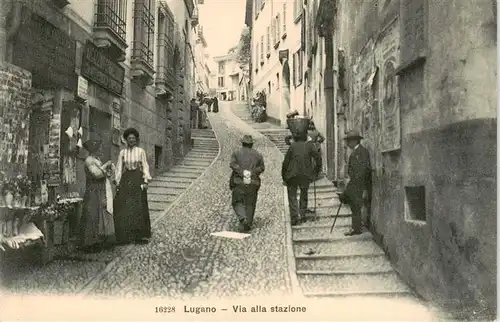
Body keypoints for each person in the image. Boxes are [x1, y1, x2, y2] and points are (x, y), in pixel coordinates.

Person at [113, 128, 152, 244]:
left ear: (136, 140)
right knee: (124, 205)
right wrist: (117, 181)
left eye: (133, 138)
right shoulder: (122, 153)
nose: (131, 140)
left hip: (137, 178)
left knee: (138, 205)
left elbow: (145, 165)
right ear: (126, 140)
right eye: (129, 138)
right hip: (127, 178)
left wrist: (145, 181)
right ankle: (125, 235)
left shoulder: (140, 151)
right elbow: (119, 167)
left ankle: (140, 235)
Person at [79, 135, 115, 252]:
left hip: (100, 189)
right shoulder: (89, 160)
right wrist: (106, 167)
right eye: (98, 148)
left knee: (99, 214)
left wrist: (109, 171)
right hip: (93, 190)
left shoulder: (97, 160)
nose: (100, 150)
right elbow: (96, 174)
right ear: (93, 149)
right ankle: (88, 242)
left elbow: (103, 174)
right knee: (91, 214)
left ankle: (98, 240)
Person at [282, 131, 322, 225]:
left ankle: (294, 218)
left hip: (292, 175)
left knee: (292, 196)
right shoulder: (310, 146)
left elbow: (285, 162)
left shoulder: (292, 146)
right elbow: (318, 158)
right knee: (304, 194)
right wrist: (315, 171)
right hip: (305, 174)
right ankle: (302, 215)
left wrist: (284, 176)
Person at [338, 130, 372, 236]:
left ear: (355, 141)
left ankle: (356, 229)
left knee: (355, 206)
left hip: (359, 184)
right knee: (354, 206)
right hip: (355, 183)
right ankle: (356, 227)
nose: (347, 143)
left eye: (349, 141)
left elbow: (363, 170)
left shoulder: (362, 152)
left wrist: (361, 186)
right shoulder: (356, 151)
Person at [229, 135, 265, 233]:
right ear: (252, 144)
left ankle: (242, 218)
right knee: (250, 203)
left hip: (239, 181)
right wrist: (252, 172)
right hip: (253, 182)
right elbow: (262, 168)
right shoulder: (258, 155)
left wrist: (242, 172)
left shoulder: (236, 153)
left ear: (242, 143)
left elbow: (232, 164)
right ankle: (248, 223)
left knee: (237, 201)